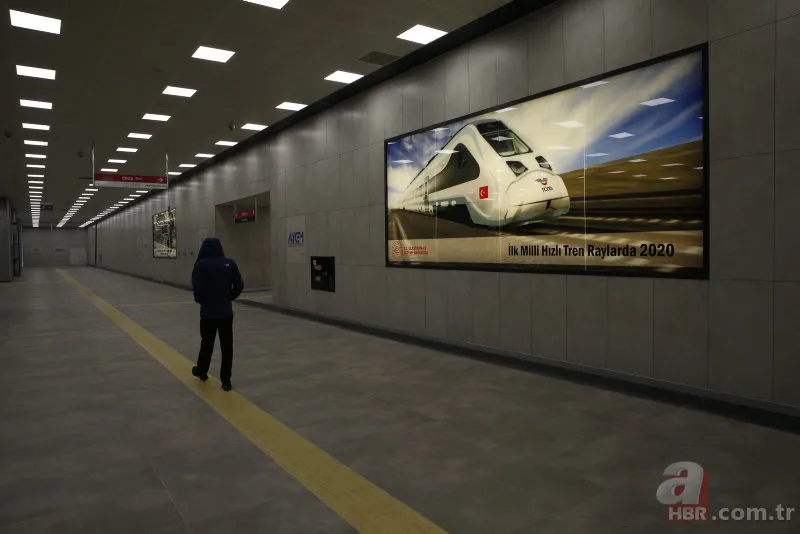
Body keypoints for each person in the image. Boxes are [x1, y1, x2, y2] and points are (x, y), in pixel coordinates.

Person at [191, 237, 244, 391]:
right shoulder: (230, 263)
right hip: (226, 312)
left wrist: (203, 301)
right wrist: (229, 297)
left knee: (207, 343)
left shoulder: (201, 265)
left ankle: (202, 370)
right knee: (227, 346)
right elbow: (239, 285)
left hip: (208, 313)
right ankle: (226, 380)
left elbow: (198, 290)